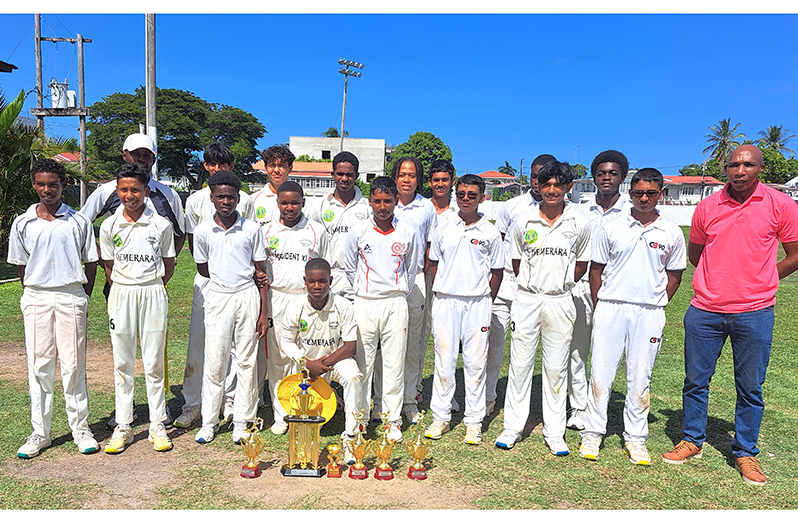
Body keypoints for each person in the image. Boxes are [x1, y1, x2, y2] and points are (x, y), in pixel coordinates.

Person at [662, 145, 798, 486]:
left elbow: (795, 254)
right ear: (726, 168)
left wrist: (765, 277)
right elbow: (696, 252)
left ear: (760, 168)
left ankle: (745, 452)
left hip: (754, 312)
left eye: (748, 164)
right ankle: (692, 440)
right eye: (734, 164)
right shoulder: (708, 206)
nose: (740, 170)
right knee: (695, 381)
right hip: (705, 310)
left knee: (750, 387)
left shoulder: (781, 205)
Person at [579, 168, 685, 465]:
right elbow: (596, 270)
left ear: (661, 194)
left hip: (648, 312)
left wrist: (657, 303)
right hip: (611, 307)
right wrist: (601, 303)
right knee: (600, 372)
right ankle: (593, 432)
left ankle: (636, 438)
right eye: (638, 193)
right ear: (630, 193)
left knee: (640, 376)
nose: (644, 198)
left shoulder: (671, 232)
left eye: (651, 193)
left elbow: (674, 275)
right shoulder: (611, 227)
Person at [80, 132, 184, 429]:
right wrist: (106, 266)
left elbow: (179, 233)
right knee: (123, 356)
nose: (141, 158)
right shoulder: (106, 192)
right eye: (135, 154)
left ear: (153, 159)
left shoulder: (166, 194)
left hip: (153, 288)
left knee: (153, 358)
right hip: (119, 287)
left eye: (147, 155)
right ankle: (123, 416)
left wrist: (164, 270)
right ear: (125, 155)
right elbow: (82, 225)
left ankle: (158, 418)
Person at [495, 161, 590, 455]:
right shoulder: (523, 220)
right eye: (546, 184)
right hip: (527, 298)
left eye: (557, 185)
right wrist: (535, 284)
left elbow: (582, 265)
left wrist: (557, 284)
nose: (551, 190)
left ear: (568, 188)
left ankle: (555, 432)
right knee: (520, 365)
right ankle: (512, 426)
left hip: (560, 301)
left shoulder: (579, 221)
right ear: (538, 185)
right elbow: (516, 261)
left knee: (555, 368)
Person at [9, 159, 99, 458]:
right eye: (41, 184)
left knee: (73, 366)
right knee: (40, 366)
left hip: (71, 296)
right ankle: (40, 433)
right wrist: (35, 291)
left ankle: (81, 428)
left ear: (64, 185)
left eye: (53, 184)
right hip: (36, 297)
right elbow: (22, 266)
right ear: (34, 185)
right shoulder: (23, 223)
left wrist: (82, 296)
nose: (47, 190)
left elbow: (91, 262)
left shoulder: (79, 222)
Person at [174, 143, 255, 429]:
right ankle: (194, 404)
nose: (219, 171)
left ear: (232, 168)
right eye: (213, 165)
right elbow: (197, 244)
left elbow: (247, 244)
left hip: (239, 282)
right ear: (206, 166)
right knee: (202, 344)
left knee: (236, 347)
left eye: (225, 166)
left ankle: (231, 402)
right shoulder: (196, 200)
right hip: (208, 280)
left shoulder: (243, 200)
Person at [99, 163, 175, 454]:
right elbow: (109, 265)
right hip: (121, 293)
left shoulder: (161, 224)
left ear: (146, 191)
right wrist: (126, 285)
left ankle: (157, 424)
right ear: (117, 191)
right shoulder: (108, 225)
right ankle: (124, 426)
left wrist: (150, 284)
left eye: (135, 189)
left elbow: (168, 265)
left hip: (153, 291)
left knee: (154, 363)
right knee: (123, 362)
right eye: (124, 189)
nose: (129, 195)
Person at [424, 174, 504, 445]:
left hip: (477, 303)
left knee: (475, 362)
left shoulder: (490, 231)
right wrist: (446, 287)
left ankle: (473, 421)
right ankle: (441, 417)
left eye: (472, 194)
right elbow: (434, 264)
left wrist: (483, 298)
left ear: (482, 197)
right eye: (462, 194)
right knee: (444, 361)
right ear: (456, 195)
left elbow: (497, 271)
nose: (466, 198)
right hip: (446, 300)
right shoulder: (444, 225)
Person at [191, 171, 268, 444]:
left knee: (247, 362)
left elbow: (261, 273)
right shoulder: (202, 231)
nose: (226, 201)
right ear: (211, 197)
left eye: (231, 197)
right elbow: (204, 268)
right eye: (220, 196)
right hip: (219, 296)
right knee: (215, 361)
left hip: (247, 295)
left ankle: (241, 422)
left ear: (239, 199)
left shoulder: (252, 229)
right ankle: (209, 422)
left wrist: (263, 312)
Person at [344, 176, 417, 443]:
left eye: (388, 201)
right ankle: (360, 419)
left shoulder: (407, 232)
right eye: (377, 201)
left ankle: (391, 419)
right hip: (364, 302)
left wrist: (396, 294)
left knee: (394, 364)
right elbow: (351, 268)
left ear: (396, 201)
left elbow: (413, 267)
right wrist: (364, 293)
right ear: (370, 202)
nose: (383, 206)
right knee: (362, 363)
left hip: (395, 304)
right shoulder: (358, 231)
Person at [567, 150, 632, 431]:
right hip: (581, 287)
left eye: (613, 173)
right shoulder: (580, 210)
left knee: (609, 354)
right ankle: (579, 407)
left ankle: (602, 405)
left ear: (622, 177)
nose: (607, 178)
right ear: (594, 177)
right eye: (601, 173)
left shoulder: (632, 210)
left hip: (617, 293)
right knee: (578, 350)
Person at [488, 154, 555, 417]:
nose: (538, 182)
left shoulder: (564, 211)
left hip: (538, 292)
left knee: (528, 351)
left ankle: (526, 409)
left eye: (544, 176)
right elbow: (500, 244)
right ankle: (488, 398)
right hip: (505, 289)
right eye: (534, 176)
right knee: (494, 345)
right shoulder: (511, 207)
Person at [279, 258, 363, 463]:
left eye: (322, 281)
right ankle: (326, 402)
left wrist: (322, 366)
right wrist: (307, 363)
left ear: (331, 280)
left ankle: (351, 437)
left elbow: (350, 346)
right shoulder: (295, 306)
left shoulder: (344, 306)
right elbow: (286, 342)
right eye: (312, 281)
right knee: (310, 418)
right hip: (307, 366)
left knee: (353, 377)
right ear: (305, 281)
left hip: (336, 361)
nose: (317, 286)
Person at [259, 181, 328, 435]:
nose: (289, 208)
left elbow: (324, 266)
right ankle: (281, 413)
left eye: (295, 202)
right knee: (278, 360)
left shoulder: (316, 230)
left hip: (306, 299)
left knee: (306, 355)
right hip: (277, 298)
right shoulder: (265, 231)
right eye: (284, 203)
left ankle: (307, 409)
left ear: (303, 203)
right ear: (277, 203)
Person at [388, 156, 436, 424]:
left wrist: (423, 279)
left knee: (413, 344)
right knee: (387, 344)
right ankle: (384, 401)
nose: (406, 180)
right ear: (395, 176)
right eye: (402, 174)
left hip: (415, 279)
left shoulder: (425, 207)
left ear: (419, 179)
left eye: (412, 175)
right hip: (387, 281)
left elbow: (429, 249)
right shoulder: (384, 201)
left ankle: (409, 399)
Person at [418, 159, 458, 411]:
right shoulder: (422, 208)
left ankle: (447, 392)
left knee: (446, 340)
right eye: (436, 180)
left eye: (445, 180)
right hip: (422, 279)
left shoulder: (460, 209)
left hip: (451, 283)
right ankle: (417, 389)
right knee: (419, 336)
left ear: (452, 181)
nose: (440, 184)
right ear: (430, 182)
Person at [307, 151, 370, 301]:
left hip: (357, 274)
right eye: (340, 174)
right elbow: (313, 240)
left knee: (356, 322)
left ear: (357, 176)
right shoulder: (320, 205)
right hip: (327, 275)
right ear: (332, 174)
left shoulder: (367, 207)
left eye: (349, 175)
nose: (344, 179)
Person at [251, 145, 294, 225]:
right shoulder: (253, 200)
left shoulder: (299, 201)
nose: (276, 170)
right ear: (266, 168)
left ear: (290, 168)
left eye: (281, 165)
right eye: (272, 165)